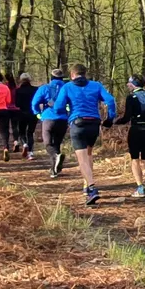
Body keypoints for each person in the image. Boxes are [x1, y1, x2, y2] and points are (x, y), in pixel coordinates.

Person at [51, 64, 116, 205]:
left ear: (72, 75)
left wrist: (62, 111)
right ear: (85, 74)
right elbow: (110, 100)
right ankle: (86, 186)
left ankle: (92, 188)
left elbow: (58, 107)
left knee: (82, 159)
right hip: (94, 124)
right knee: (89, 154)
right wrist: (110, 118)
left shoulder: (67, 87)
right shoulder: (96, 85)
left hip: (78, 124)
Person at [33, 68, 70, 177]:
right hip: (63, 119)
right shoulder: (67, 88)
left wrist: (37, 113)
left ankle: (56, 158)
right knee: (57, 144)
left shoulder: (44, 88)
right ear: (62, 78)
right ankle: (54, 170)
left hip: (48, 118)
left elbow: (35, 102)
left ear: (51, 77)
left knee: (48, 144)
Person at [13, 73, 37, 158]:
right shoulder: (35, 89)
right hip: (33, 113)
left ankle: (24, 144)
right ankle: (30, 152)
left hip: (22, 113)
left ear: (21, 80)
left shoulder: (18, 90)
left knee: (22, 132)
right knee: (30, 132)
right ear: (30, 80)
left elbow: (17, 104)